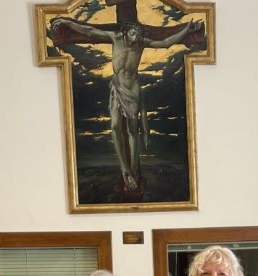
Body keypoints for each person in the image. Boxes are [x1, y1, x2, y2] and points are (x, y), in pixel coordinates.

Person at [50, 16, 203, 191]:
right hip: (117, 87)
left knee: (132, 130)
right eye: (133, 33)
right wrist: (68, 23)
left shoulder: (142, 43)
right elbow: (89, 31)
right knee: (115, 127)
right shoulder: (115, 38)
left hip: (133, 90)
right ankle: (125, 170)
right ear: (125, 32)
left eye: (138, 34)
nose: (136, 37)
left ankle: (132, 169)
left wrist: (186, 30)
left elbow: (166, 42)